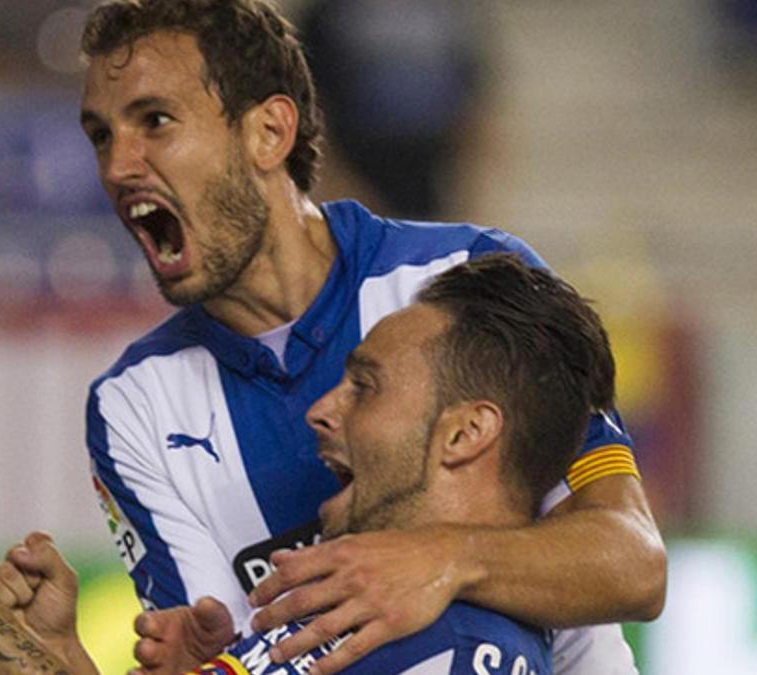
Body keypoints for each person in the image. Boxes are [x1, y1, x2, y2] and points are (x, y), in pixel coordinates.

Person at [75, 1, 663, 673]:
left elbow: (634, 562)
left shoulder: (465, 280)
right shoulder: (134, 407)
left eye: (155, 121)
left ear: (269, 131)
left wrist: (442, 558)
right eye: (99, 135)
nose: (118, 166)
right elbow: (224, 656)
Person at [0, 255, 620, 674]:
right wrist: (66, 656)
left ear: (465, 435)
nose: (323, 409)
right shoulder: (372, 620)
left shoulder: (442, 649)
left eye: (366, 384)